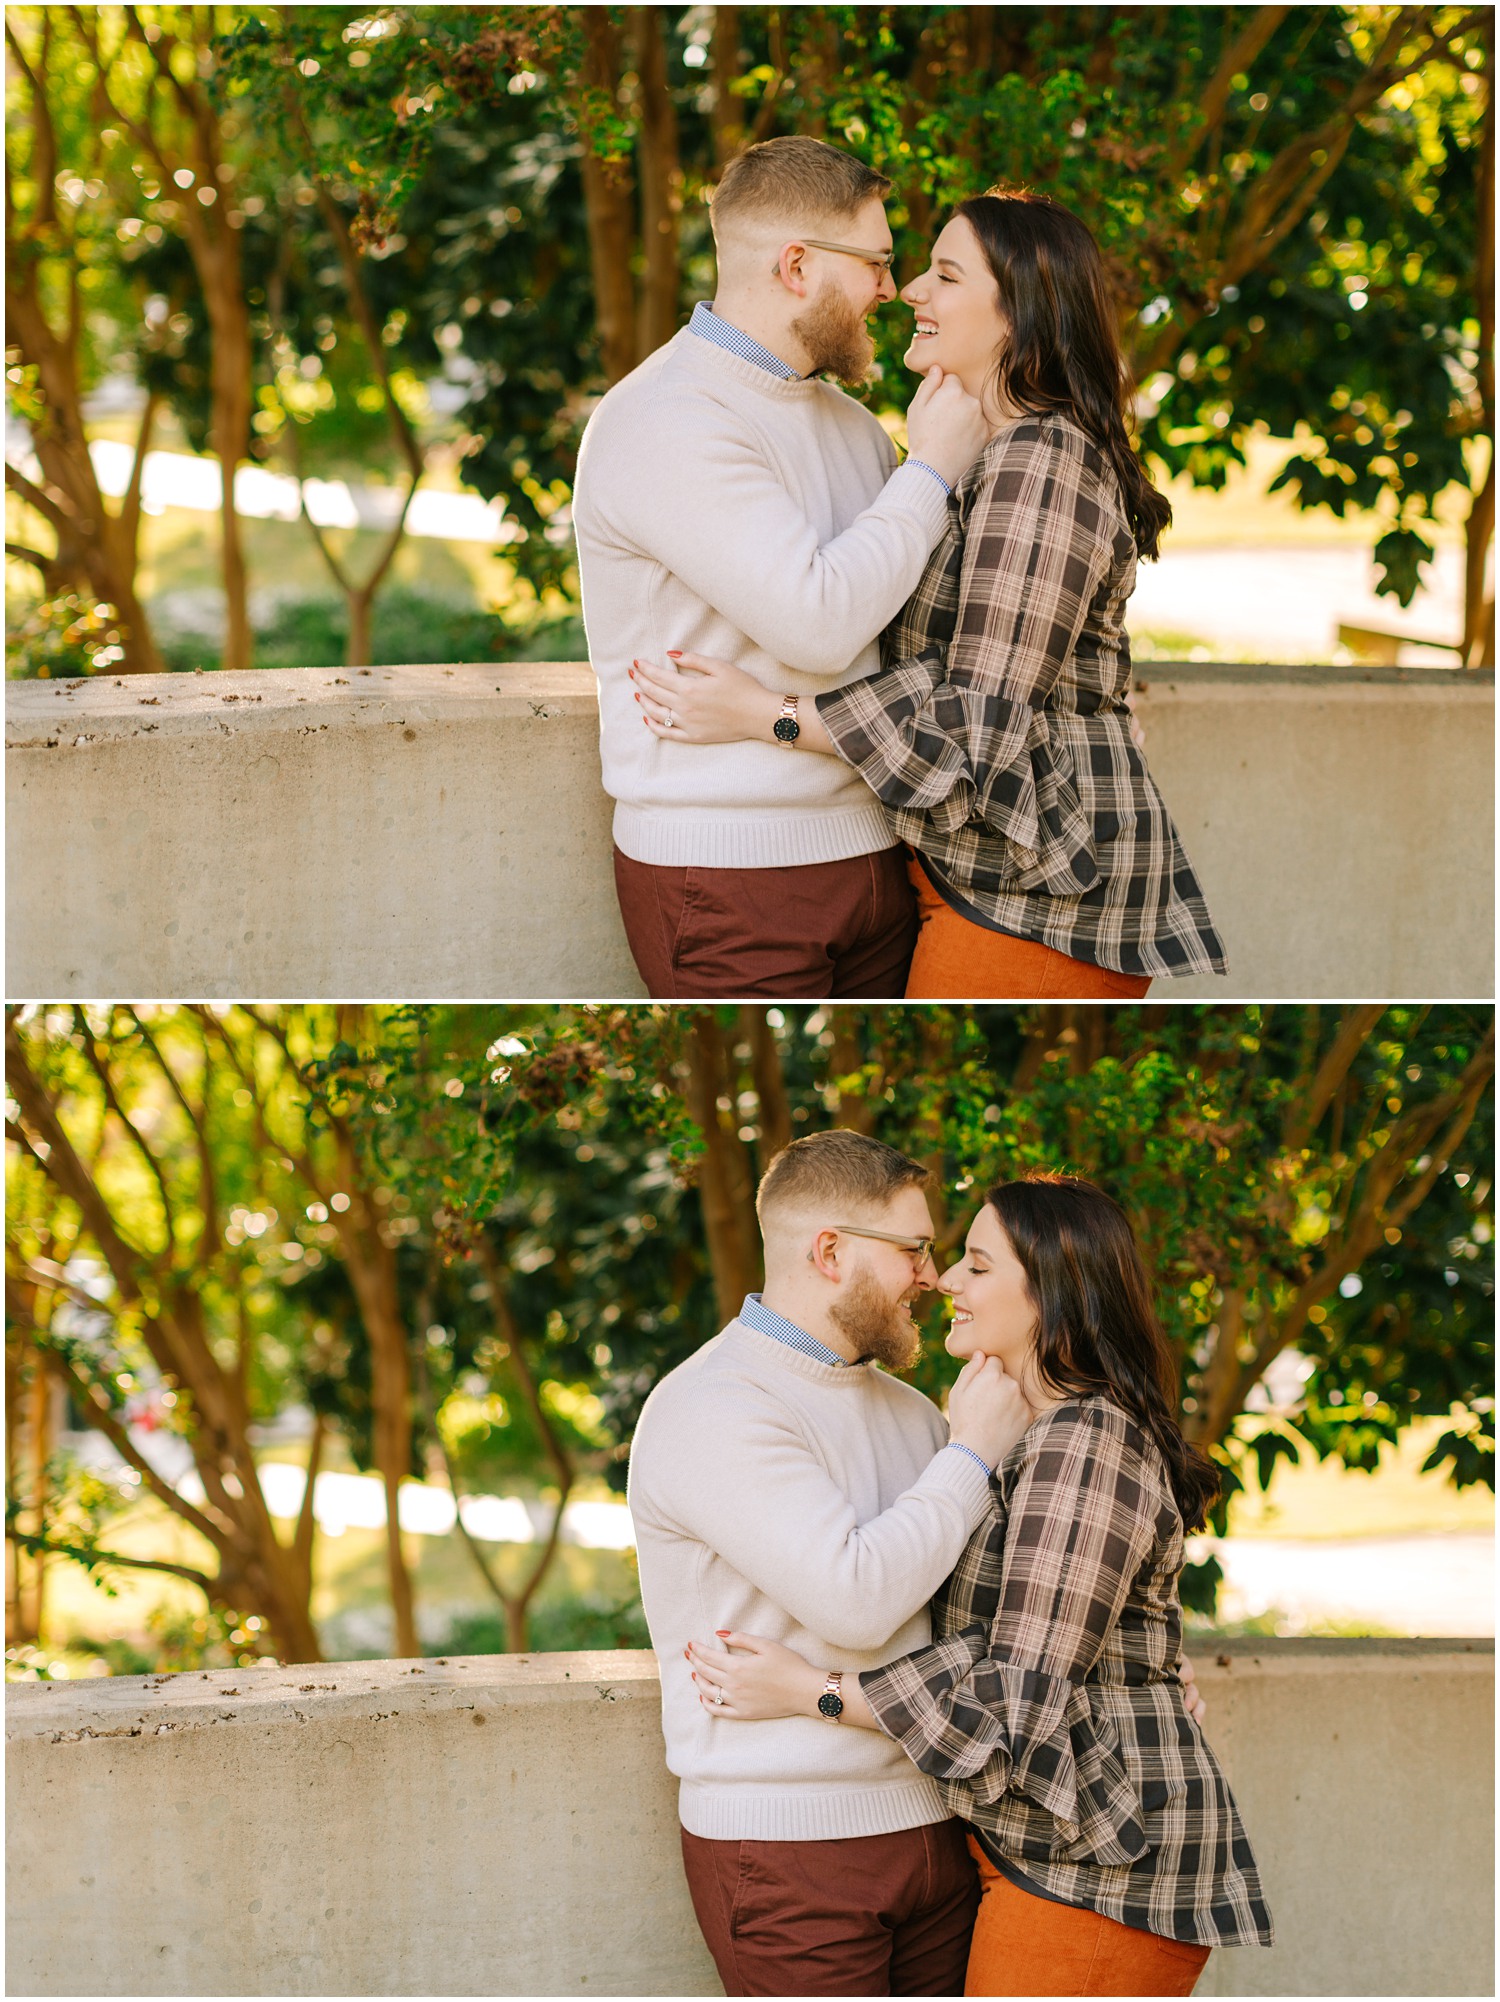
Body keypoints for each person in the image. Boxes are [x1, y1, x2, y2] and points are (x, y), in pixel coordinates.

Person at [629, 1132, 1206, 1998]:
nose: (932, 1278)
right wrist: (970, 1452)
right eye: (916, 1251)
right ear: (830, 1252)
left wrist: (1129, 1662)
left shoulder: (917, 1412)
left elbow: (1020, 1597)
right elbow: (857, 1600)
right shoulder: (713, 1406)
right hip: (792, 1847)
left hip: (945, 1831)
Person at [632, 190, 1228, 999]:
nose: (909, 289)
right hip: (983, 875)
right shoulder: (990, 452)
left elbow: (971, 724)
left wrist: (768, 714)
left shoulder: (1040, 460)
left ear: (1018, 314)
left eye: (943, 275)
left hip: (1039, 898)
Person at [572, 137, 990, 1000]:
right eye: (875, 261)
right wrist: (932, 469)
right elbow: (821, 620)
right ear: (797, 265)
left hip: (882, 860)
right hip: (726, 879)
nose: (892, 287)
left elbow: (918, 635)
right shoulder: (664, 420)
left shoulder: (853, 428)